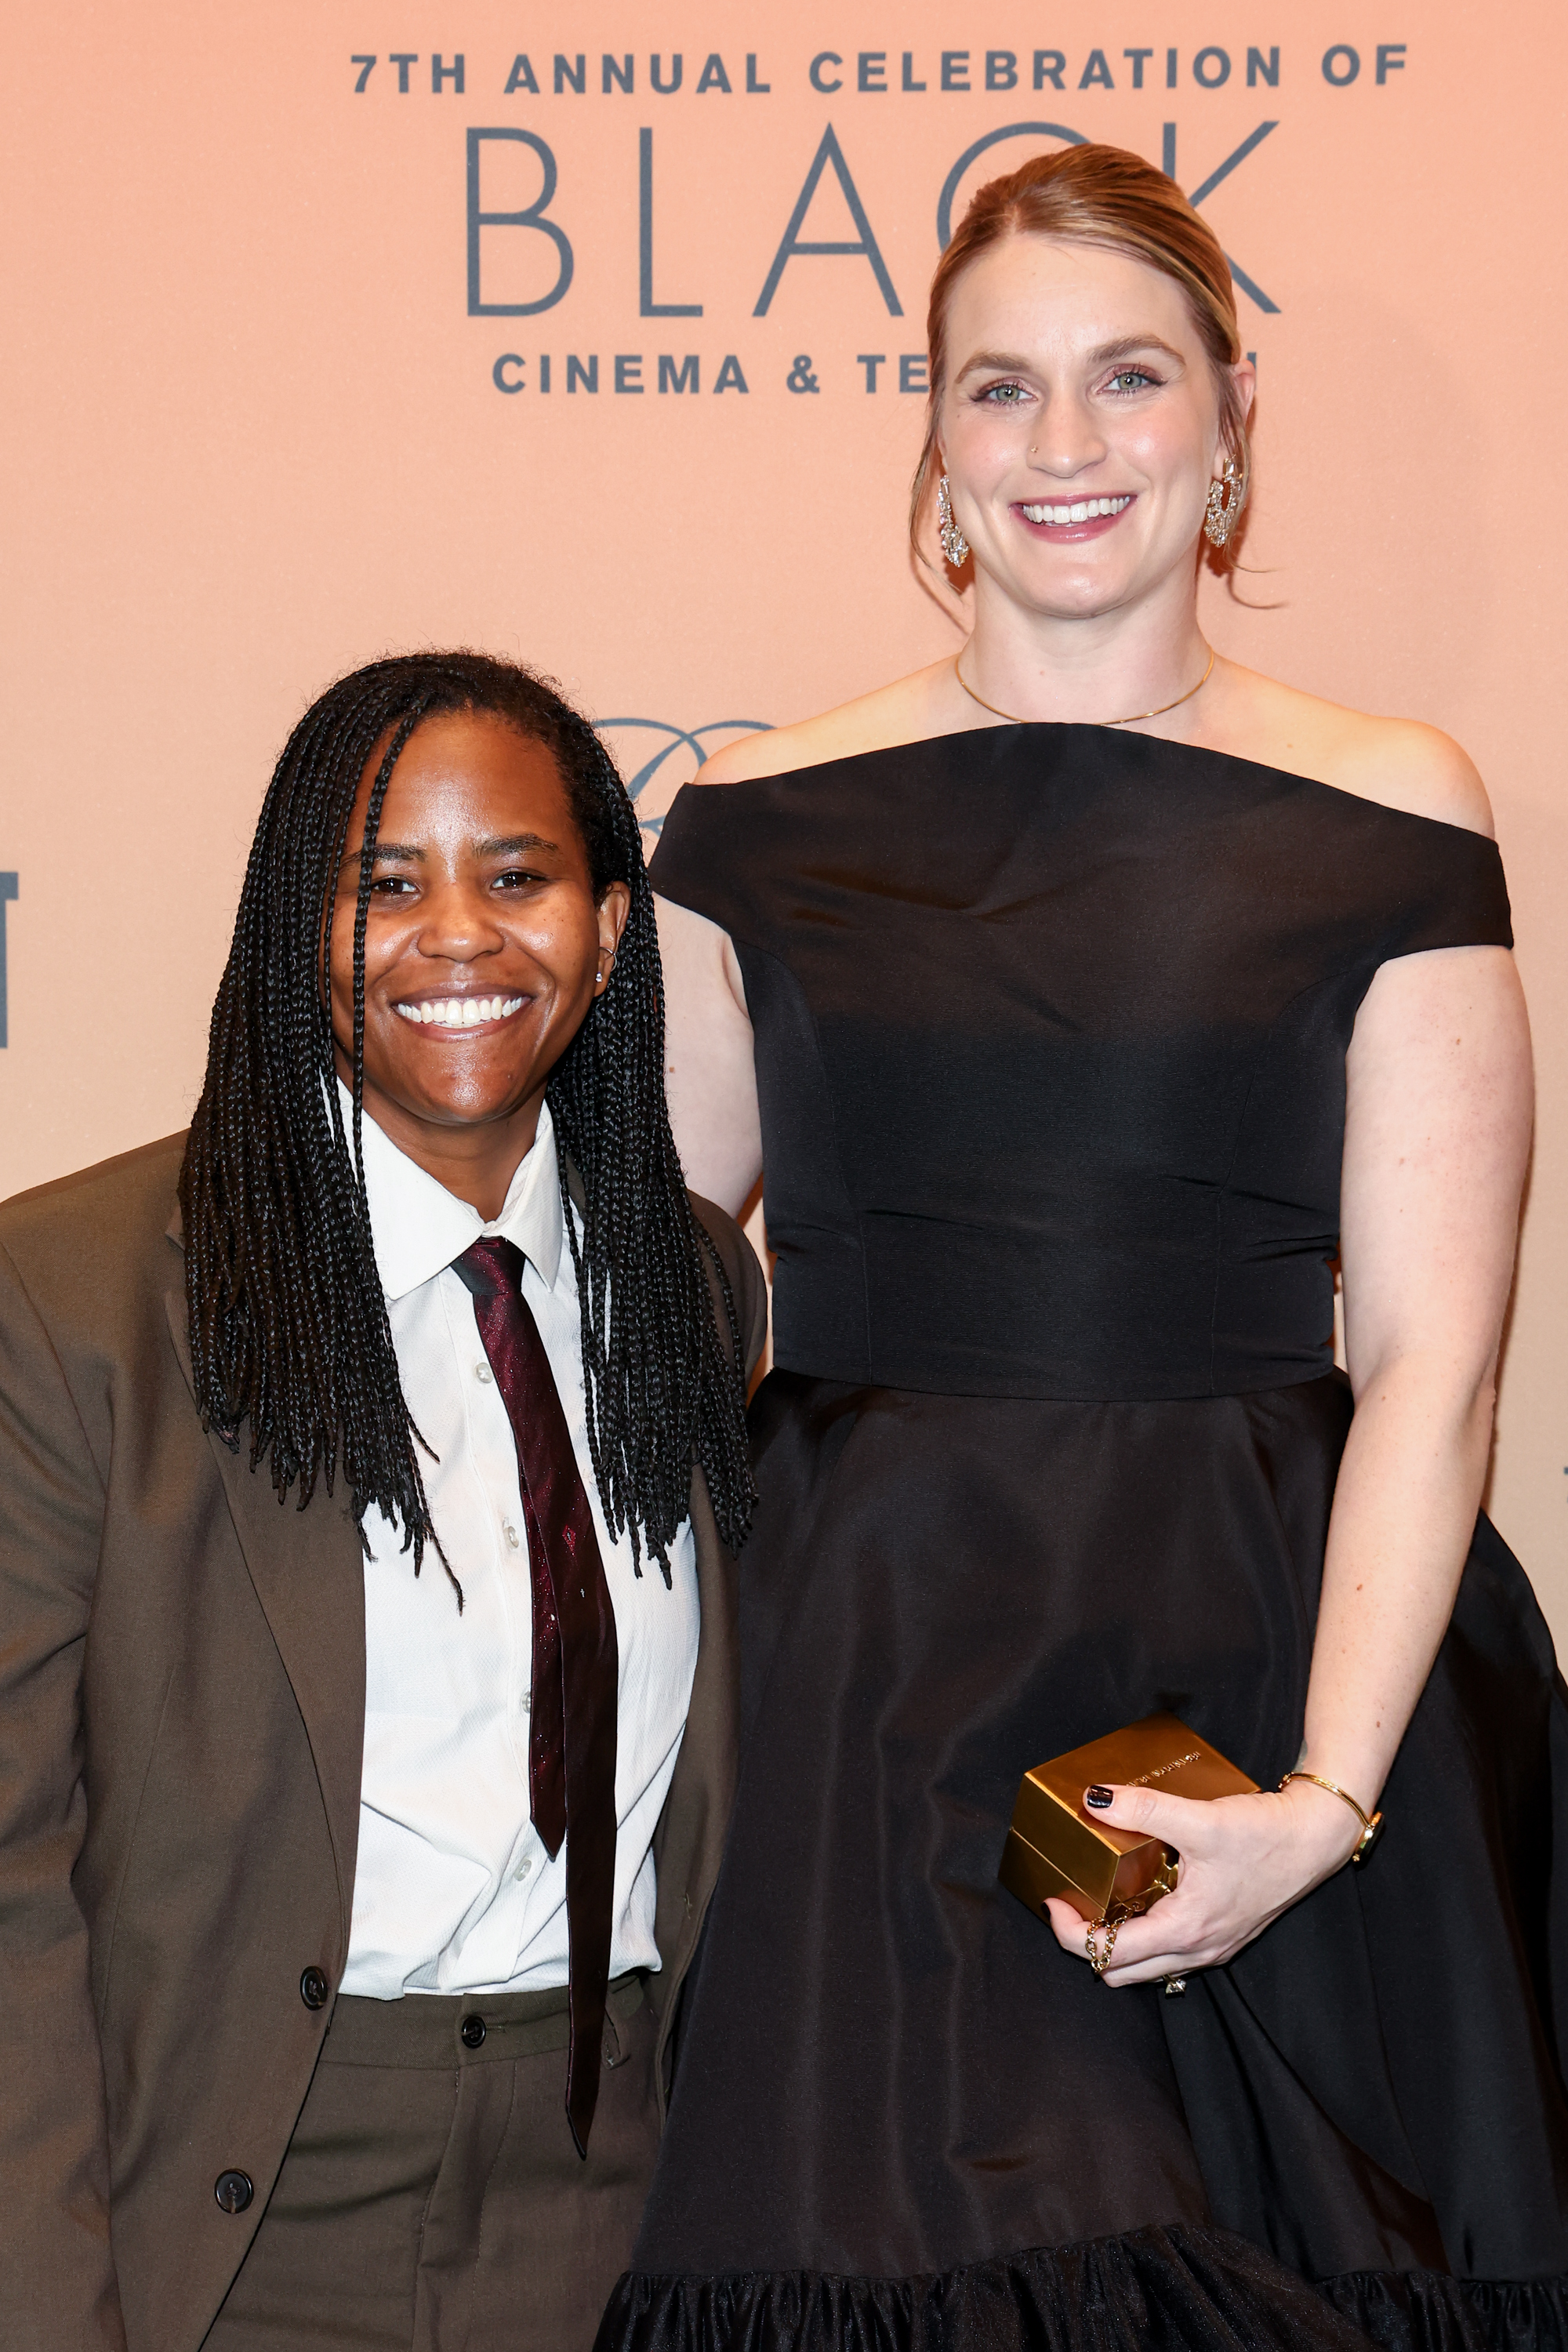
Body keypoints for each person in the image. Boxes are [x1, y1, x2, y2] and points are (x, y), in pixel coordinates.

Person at [595, 147, 1568, 2352]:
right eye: (999, 387)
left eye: (1128, 379)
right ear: (930, 440)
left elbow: (1434, 1359)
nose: (1065, 446)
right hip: (870, 1678)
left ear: (1231, 421)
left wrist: (1324, 1805)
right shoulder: (753, 820)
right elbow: (637, 1277)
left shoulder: (1398, 805)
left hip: (1267, 1653)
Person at [0, 651, 766, 2352]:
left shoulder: (691, 1293)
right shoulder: (76, 1304)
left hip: (634, 2204)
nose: (461, 938)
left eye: (517, 876)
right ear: (297, 932)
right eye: (385, 886)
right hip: (249, 2209)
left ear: (611, 925)